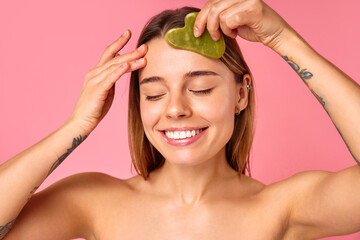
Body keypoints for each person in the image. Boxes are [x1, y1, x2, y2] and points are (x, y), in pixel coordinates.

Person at [1, 0, 360, 239]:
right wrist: (75, 126)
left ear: (241, 94)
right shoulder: (92, 200)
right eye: (154, 94)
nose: (175, 109)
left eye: (201, 88)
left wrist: (283, 38)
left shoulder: (281, 208)